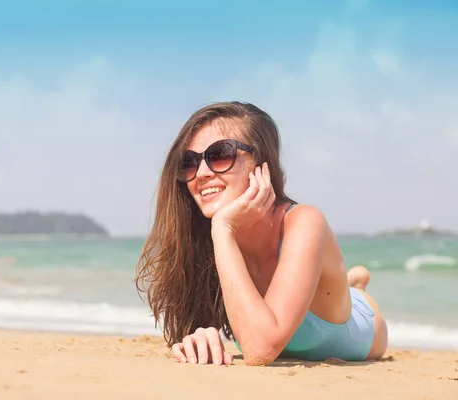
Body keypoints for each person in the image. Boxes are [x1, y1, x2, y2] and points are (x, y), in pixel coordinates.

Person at [135, 101, 388, 366]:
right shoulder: (202, 239)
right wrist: (200, 334)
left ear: (260, 163)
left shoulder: (304, 222)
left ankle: (355, 286)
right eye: (189, 162)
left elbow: (260, 349)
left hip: (360, 327)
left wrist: (223, 229)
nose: (200, 173)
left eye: (220, 154)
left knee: (355, 297)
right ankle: (347, 281)